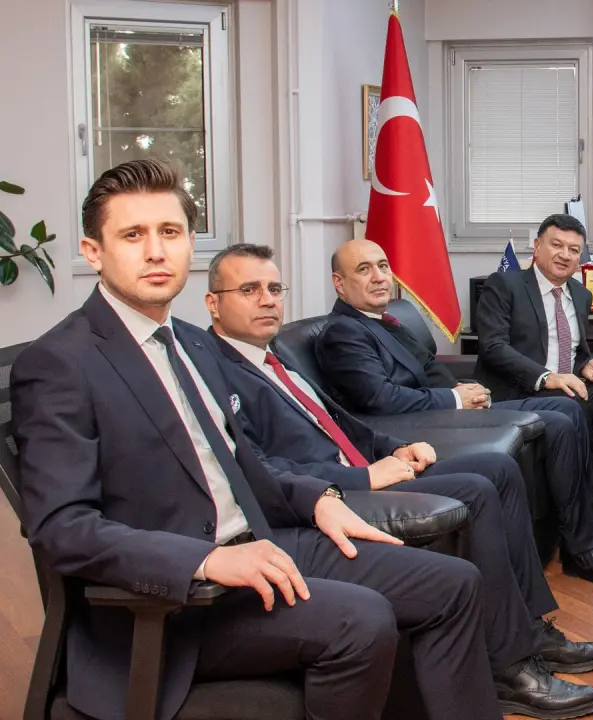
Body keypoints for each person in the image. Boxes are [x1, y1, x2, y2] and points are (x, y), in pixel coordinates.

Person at [10, 159, 505, 720]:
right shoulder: (60, 363)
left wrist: (317, 499)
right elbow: (63, 529)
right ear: (93, 251)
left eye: (169, 232)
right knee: (363, 621)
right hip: (177, 598)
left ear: (189, 244)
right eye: (132, 235)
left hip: (264, 539)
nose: (155, 251)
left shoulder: (194, 344)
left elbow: (241, 463)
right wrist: (206, 560)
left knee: (454, 583)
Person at [204, 243, 593, 717]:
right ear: (213, 303)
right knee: (479, 490)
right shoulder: (215, 372)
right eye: (249, 290)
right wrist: (362, 474)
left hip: (367, 465)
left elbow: (339, 422)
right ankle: (510, 667)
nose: (267, 300)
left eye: (275, 289)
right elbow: (258, 468)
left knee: (498, 470)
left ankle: (528, 628)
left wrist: (392, 447)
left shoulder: (273, 357)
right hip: (334, 494)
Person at [316, 239, 593, 586]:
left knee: (568, 409)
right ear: (339, 283)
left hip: (451, 409)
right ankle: (585, 550)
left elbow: (429, 369)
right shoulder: (343, 332)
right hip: (421, 426)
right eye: (364, 270)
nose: (379, 277)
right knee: (560, 420)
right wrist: (454, 398)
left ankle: (591, 527)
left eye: (383, 266)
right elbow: (381, 399)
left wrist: (467, 390)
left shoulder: (385, 321)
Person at [473, 214, 593, 532]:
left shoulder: (580, 293)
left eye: (574, 250)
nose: (565, 255)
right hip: (520, 394)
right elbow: (493, 348)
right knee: (571, 406)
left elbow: (571, 349)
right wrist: (547, 377)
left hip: (564, 391)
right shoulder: (504, 285)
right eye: (556, 245)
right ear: (537, 246)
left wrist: (587, 364)